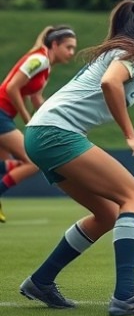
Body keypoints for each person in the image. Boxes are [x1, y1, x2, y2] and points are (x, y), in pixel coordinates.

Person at [19, 0, 134, 316]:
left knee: (107, 213)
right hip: (54, 133)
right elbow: (110, 83)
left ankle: (41, 281)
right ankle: (126, 295)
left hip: (42, 133)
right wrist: (130, 136)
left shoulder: (132, 54)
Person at [0, 26, 77, 221]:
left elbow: (36, 99)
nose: (71, 52)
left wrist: (53, 121)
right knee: (33, 161)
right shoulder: (39, 60)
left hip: (5, 115)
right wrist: (28, 120)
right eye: (68, 47)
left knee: (5, 164)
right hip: (1, 114)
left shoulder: (45, 65)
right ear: (54, 44)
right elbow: (11, 88)